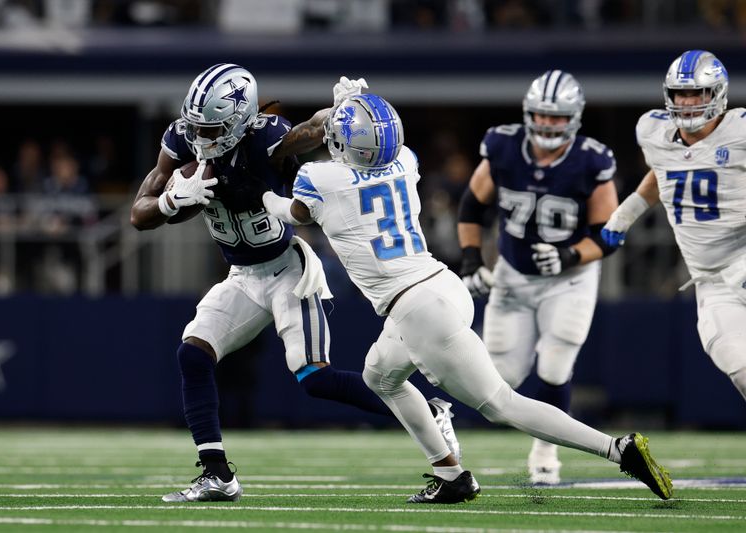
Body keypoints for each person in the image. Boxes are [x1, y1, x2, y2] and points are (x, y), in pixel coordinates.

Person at [259, 90, 673, 503]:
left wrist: (259, 192)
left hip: (416, 307)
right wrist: (353, 104)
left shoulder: (321, 179)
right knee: (379, 376)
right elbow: (367, 155)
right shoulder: (404, 162)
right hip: (441, 284)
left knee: (501, 404)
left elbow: (289, 208)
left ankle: (617, 449)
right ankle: (451, 475)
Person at [130, 64, 461, 503]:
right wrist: (172, 201)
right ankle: (217, 477)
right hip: (242, 276)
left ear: (240, 119)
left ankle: (429, 411)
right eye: (196, 126)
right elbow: (140, 212)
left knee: (315, 379)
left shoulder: (266, 137)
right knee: (193, 352)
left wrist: (341, 109)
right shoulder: (181, 138)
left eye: (211, 128)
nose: (201, 138)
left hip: (289, 272)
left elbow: (314, 129)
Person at [455, 70, 620, 485]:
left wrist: (569, 255)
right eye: (542, 116)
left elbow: (609, 232)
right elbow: (472, 206)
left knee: (555, 363)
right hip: (513, 274)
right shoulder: (503, 146)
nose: (547, 124)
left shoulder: (591, 159)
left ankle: (546, 452)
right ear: (529, 114)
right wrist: (472, 259)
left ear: (574, 118)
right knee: (498, 377)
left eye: (556, 117)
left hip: (571, 278)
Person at [602, 50, 746, 402]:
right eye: (681, 94)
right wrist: (624, 215)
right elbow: (664, 173)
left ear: (718, 94)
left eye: (697, 93)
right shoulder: (654, 132)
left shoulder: (739, 131)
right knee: (737, 364)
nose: (688, 102)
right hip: (710, 279)